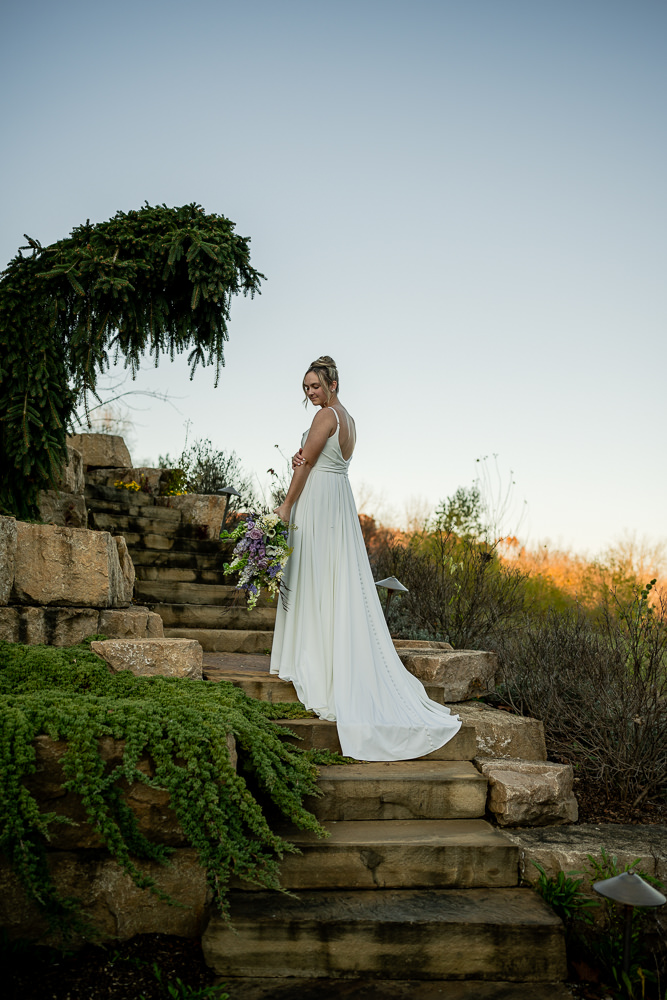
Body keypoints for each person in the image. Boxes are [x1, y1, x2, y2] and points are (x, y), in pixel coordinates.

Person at [270, 355, 461, 761]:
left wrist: (287, 504)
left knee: (315, 577)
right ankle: (326, 652)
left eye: (316, 386)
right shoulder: (349, 420)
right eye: (306, 388)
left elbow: (306, 467)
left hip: (319, 500)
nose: (310, 393)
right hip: (338, 500)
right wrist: (305, 459)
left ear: (333, 383)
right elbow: (319, 459)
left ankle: (316, 662)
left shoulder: (326, 417)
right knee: (332, 578)